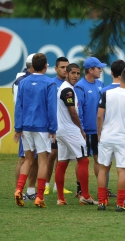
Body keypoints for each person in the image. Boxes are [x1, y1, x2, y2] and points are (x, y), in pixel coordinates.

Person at [14, 53, 57, 208]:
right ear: (46, 65)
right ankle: (39, 196)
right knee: (43, 160)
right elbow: (51, 107)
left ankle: (19, 189)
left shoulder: (23, 83)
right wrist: (53, 128)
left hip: (26, 126)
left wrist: (18, 128)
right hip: (42, 127)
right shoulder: (50, 83)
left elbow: (19, 106)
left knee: (28, 159)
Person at [97, 68, 125, 212]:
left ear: (120, 77)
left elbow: (99, 116)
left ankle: (101, 202)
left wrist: (99, 133)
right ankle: (120, 203)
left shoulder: (107, 94)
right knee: (122, 170)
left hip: (107, 136)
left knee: (103, 168)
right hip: (123, 138)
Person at [55, 63, 96, 206]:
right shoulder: (68, 90)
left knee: (62, 162)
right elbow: (73, 113)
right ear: (66, 73)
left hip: (60, 130)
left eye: (78, 73)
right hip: (70, 130)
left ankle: (60, 198)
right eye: (72, 73)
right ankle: (85, 195)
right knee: (84, 160)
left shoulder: (65, 88)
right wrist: (81, 129)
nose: (75, 76)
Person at [75, 56, 106, 195]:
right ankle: (80, 188)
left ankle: (102, 189)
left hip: (98, 130)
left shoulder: (100, 84)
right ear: (90, 70)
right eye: (98, 68)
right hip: (85, 130)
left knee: (98, 158)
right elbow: (78, 109)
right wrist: (80, 129)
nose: (101, 70)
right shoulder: (80, 86)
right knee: (82, 160)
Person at [12, 53, 38, 201]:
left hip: (33, 123)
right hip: (27, 124)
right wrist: (19, 127)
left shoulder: (26, 79)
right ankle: (19, 190)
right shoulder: (21, 81)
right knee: (24, 158)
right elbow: (18, 105)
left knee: (34, 158)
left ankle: (30, 190)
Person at [46, 57, 73, 195]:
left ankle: (58, 185)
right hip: (53, 126)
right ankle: (46, 184)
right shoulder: (51, 83)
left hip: (66, 127)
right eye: (62, 67)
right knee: (52, 155)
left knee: (63, 156)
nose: (65, 70)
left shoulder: (70, 85)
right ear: (56, 69)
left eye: (67, 67)